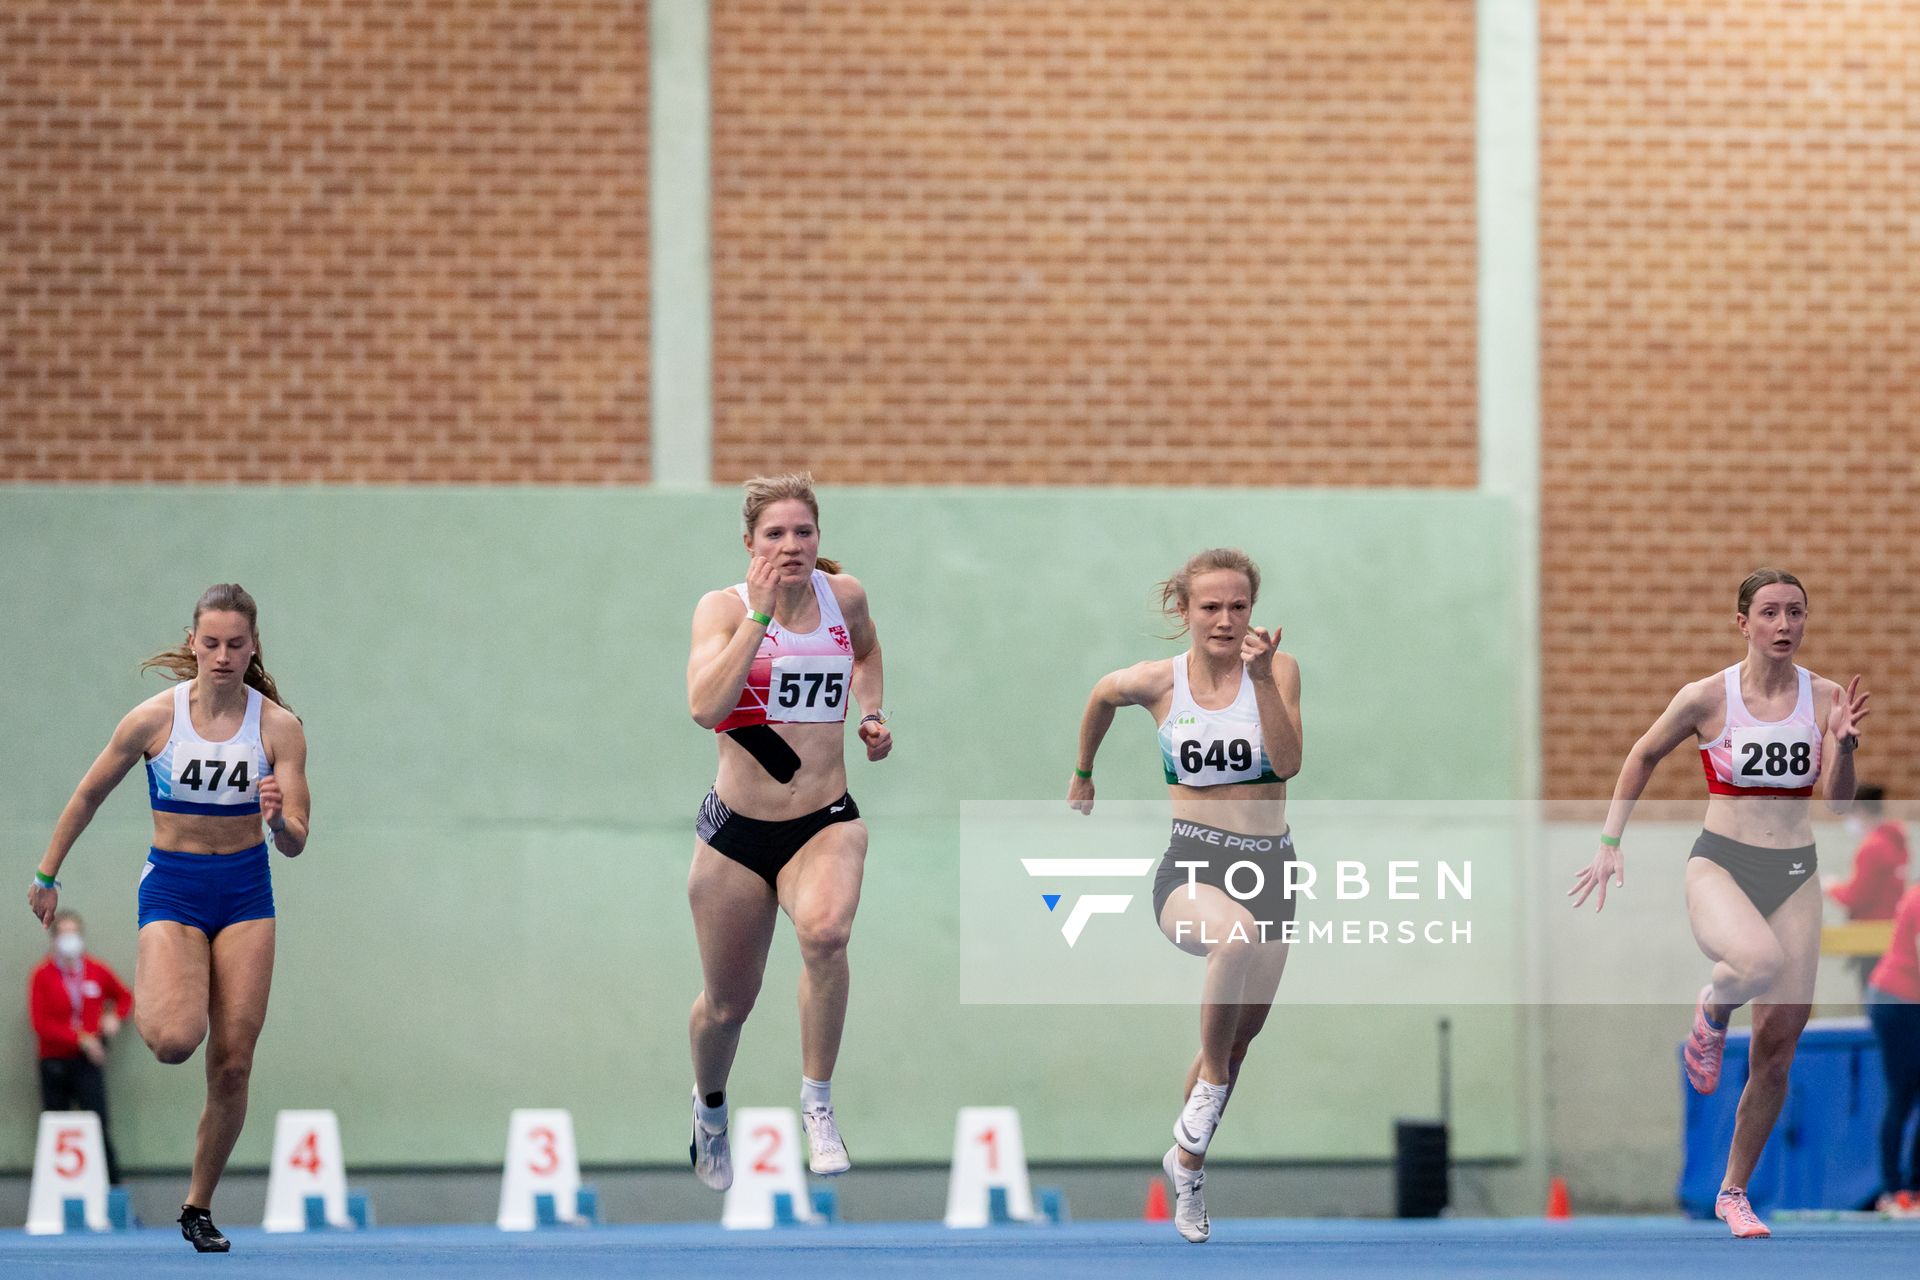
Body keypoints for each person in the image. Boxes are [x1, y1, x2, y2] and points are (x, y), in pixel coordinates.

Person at [1571, 568, 1871, 1239]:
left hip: (1794, 872)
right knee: (1756, 961)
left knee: (1776, 1049)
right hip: (1722, 864)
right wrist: (1609, 841)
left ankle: (1733, 1191)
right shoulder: (1707, 698)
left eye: (1796, 612)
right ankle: (1711, 1011)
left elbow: (1840, 801)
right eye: (1769, 613)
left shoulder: (1823, 698)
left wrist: (1844, 748)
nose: (1785, 625)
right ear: (1743, 623)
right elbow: (1642, 754)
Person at [27, 583, 310, 1253]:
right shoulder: (154, 720)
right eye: (210, 643)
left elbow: (298, 837)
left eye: (235, 645)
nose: (222, 656)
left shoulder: (278, 728)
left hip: (245, 892)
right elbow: (89, 793)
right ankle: (174, 981)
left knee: (234, 1064)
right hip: (175, 890)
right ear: (193, 642)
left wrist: (278, 820)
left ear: (252, 648)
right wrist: (46, 873)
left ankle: (197, 1206)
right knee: (175, 1039)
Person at [1068, 549, 1302, 1244]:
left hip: (1271, 869)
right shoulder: (1156, 684)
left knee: (1238, 1043)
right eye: (1211, 607)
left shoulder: (1278, 670)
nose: (1226, 621)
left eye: (1238, 607)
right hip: (1194, 864)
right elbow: (1099, 697)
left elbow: (1288, 762)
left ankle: (1189, 1166)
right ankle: (1204, 1098)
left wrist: (1260, 681)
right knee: (1229, 942)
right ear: (1185, 613)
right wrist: (1083, 771)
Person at [683, 474, 891, 1189]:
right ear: (749, 544)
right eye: (774, 534)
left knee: (827, 933)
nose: (791, 546)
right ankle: (710, 1111)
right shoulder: (722, 609)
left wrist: (871, 711)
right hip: (737, 833)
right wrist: (760, 619)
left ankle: (818, 1103)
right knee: (727, 1004)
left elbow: (865, 653)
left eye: (803, 532)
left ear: (818, 539)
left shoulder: (846, 598)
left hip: (824, 819)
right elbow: (706, 708)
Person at [28, 911, 134, 1185]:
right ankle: (58, 1197)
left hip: (88, 1063)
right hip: (54, 1062)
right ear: (54, 940)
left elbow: (124, 998)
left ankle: (112, 1196)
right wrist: (81, 1039)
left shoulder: (96, 971)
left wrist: (114, 1017)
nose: (70, 938)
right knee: (57, 1130)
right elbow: (42, 1024)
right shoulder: (43, 975)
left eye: (74, 932)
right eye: (64, 932)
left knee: (98, 1127)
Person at [1865, 873, 1920, 1214]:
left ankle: (1909, 1187)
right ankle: (1896, 1190)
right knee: (1901, 1094)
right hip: (1898, 1002)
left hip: (1899, 1000)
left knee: (1904, 1096)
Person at [1824, 785, 1909, 990]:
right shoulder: (1895, 840)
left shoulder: (1871, 848)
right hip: (1890, 930)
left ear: (1860, 811)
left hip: (1871, 934)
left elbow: (1858, 896)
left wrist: (1831, 887)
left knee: (1872, 993)